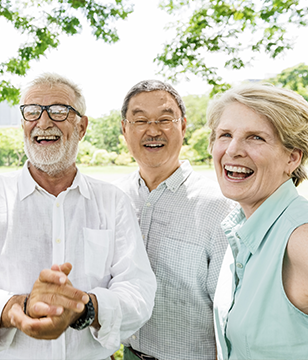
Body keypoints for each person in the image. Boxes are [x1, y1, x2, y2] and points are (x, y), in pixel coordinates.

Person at [0, 73, 157, 360]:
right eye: (32, 111)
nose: (43, 122)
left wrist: (85, 308)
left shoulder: (112, 201)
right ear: (22, 124)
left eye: (59, 110)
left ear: (81, 126)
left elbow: (138, 289)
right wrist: (16, 308)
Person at [115, 80, 234, 360]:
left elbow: (228, 311)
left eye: (165, 119)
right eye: (140, 120)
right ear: (124, 129)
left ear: (183, 126)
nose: (153, 130)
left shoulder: (217, 205)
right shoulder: (115, 198)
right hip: (128, 353)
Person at [208, 84, 308, 359]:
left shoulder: (307, 238)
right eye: (225, 134)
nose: (233, 150)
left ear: (292, 157)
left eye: (256, 138)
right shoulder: (240, 228)